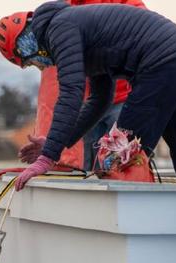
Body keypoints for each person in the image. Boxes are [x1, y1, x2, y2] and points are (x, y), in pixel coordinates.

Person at [0, 1, 176, 189]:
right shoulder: (79, 28)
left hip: (163, 67)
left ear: (25, 43)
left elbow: (71, 92)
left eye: (29, 61)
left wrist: (47, 157)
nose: (38, 66)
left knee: (115, 158)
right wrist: (58, 141)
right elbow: (100, 100)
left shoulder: (58, 29)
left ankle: (139, 234)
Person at [24, 0, 147, 174]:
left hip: (123, 98)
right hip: (91, 98)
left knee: (122, 162)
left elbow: (140, 28)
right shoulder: (67, 8)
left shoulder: (126, 4)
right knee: (90, 167)